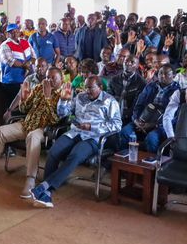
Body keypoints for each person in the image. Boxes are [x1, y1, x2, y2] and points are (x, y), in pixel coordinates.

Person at [0, 67, 64, 198]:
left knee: (32, 137)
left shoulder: (64, 95)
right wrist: (24, 99)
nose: (49, 80)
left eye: (53, 78)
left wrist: (48, 97)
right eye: (47, 77)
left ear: (61, 79)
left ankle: (30, 179)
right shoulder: (38, 88)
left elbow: (56, 119)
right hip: (27, 123)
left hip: (44, 129)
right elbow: (24, 109)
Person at [30, 76, 121, 208]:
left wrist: (91, 127)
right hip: (75, 132)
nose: (87, 91)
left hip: (93, 137)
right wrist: (63, 100)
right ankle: (47, 192)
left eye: (91, 88)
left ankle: (45, 187)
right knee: (54, 151)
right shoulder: (80, 97)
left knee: (75, 155)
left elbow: (117, 125)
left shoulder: (109, 101)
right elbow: (62, 114)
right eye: (86, 87)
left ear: (100, 88)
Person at [118, 65, 180, 154]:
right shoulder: (150, 86)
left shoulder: (177, 91)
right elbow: (138, 105)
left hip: (161, 125)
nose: (162, 76)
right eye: (160, 73)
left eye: (166, 74)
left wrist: (153, 125)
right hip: (142, 120)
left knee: (152, 138)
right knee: (125, 132)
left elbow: (174, 117)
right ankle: (122, 159)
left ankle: (151, 165)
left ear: (174, 76)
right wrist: (136, 120)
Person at [0, 22, 33, 109]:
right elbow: (11, 62)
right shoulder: (5, 46)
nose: (14, 33)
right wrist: (26, 65)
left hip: (25, 80)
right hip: (11, 82)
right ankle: (10, 120)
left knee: (25, 105)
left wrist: (29, 62)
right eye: (11, 32)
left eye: (16, 31)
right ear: (7, 34)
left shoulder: (25, 42)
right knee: (12, 107)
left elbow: (34, 57)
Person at [108, 54, 146, 125]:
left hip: (130, 116)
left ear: (137, 66)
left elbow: (138, 103)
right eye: (126, 61)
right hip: (113, 112)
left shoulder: (141, 82)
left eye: (132, 62)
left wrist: (126, 114)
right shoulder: (114, 79)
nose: (128, 63)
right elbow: (109, 97)